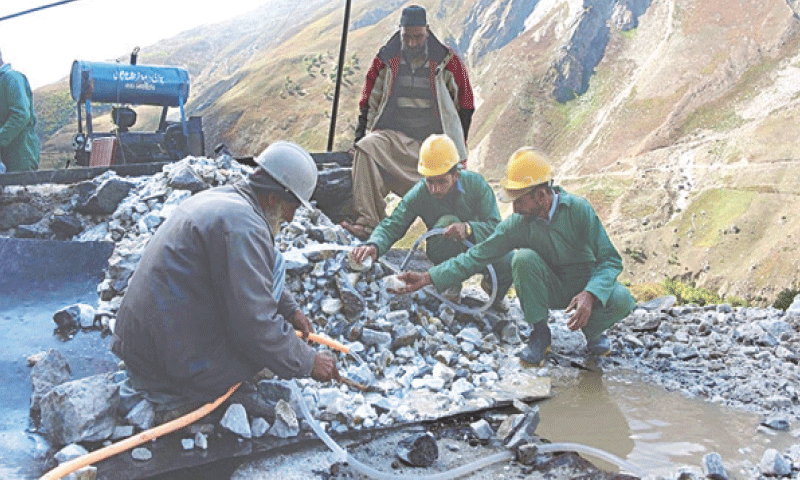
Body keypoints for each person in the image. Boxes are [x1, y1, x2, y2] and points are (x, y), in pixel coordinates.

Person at [112, 141, 340, 419]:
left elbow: (255, 272)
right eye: (293, 207)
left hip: (141, 344)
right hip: (165, 364)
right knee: (254, 351)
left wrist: (289, 309)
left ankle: (170, 377)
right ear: (273, 199)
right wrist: (308, 362)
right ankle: (176, 391)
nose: (292, 218)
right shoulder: (244, 227)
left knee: (273, 260)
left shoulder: (228, 200)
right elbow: (254, 324)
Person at [396, 148, 637, 365]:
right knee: (522, 258)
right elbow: (476, 256)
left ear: (541, 196)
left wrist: (591, 294)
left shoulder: (578, 210)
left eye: (519, 200)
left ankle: (594, 332)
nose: (514, 208)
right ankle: (540, 334)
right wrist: (428, 278)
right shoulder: (517, 224)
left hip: (584, 286)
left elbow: (610, 260)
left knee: (622, 298)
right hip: (551, 287)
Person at [341, 5, 474, 240]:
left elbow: (465, 104)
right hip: (395, 138)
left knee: (450, 188)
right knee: (366, 147)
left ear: (427, 31)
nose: (412, 43)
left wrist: (457, 149)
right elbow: (368, 102)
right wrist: (359, 137)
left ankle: (451, 240)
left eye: (418, 37)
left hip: (432, 146)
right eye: (407, 37)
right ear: (399, 32)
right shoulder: (386, 60)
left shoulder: (447, 61)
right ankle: (370, 224)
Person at [350, 134, 513, 310]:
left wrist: (468, 229)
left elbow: (496, 228)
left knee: (509, 259)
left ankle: (495, 291)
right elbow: (394, 223)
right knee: (447, 222)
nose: (435, 189)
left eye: (441, 181)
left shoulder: (476, 185)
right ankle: (450, 282)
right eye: (430, 181)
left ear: (456, 175)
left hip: (480, 250)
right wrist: (375, 245)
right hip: (444, 249)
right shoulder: (420, 192)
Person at [0, 48, 40, 173]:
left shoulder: (11, 78)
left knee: (21, 191)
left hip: (20, 156)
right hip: (5, 158)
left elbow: (21, 115)